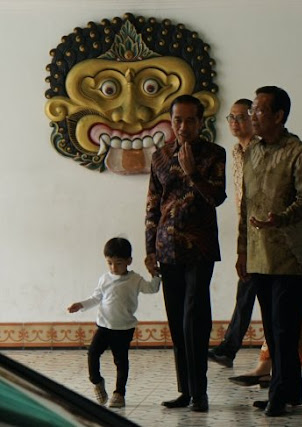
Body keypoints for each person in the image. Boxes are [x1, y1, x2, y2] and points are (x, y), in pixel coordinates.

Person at [236, 86, 302, 417]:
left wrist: (278, 220)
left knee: (284, 329)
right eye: (252, 110)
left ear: (279, 116)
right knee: (271, 327)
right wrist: (241, 251)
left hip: (288, 255)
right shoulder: (252, 150)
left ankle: (279, 393)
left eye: (258, 111)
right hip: (258, 254)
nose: (252, 117)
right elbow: (245, 203)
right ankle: (289, 390)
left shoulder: (299, 152)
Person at [145, 94, 226, 412]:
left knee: (196, 317)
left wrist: (193, 173)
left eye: (190, 120)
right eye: (177, 120)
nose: (183, 126)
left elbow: (217, 197)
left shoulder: (213, 154)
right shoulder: (160, 156)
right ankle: (185, 390)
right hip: (167, 247)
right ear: (171, 120)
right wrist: (150, 247)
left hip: (200, 247)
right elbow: (153, 203)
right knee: (177, 321)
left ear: (201, 122)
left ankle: (200, 392)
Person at [67, 237, 160, 408]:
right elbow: (96, 298)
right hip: (103, 326)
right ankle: (96, 381)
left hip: (124, 329)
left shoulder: (135, 280)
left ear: (128, 261)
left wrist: (154, 273)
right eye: (109, 263)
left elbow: (152, 288)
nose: (113, 268)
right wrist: (80, 305)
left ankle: (119, 393)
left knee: (121, 361)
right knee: (93, 354)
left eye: (118, 263)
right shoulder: (105, 279)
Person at [208, 99, 261, 369]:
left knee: (249, 289)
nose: (235, 122)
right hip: (246, 232)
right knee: (247, 289)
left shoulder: (261, 150)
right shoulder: (236, 151)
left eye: (241, 117)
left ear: (254, 119)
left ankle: (231, 348)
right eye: (231, 117)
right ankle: (230, 348)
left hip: (263, 234)